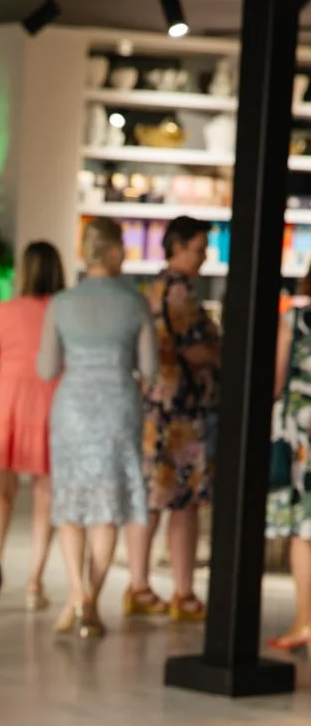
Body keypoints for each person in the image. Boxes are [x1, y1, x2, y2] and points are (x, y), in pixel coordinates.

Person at [37, 217, 156, 639]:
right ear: (115, 251)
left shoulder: (62, 303)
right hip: (118, 408)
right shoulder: (135, 303)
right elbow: (150, 368)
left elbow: (46, 367)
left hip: (72, 408)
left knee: (70, 506)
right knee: (107, 510)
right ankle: (90, 604)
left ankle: (75, 595)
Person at [129, 217, 221, 622]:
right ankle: (183, 593)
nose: (205, 256)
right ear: (179, 245)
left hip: (156, 408)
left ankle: (139, 585)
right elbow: (195, 350)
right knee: (183, 503)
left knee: (152, 499)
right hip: (180, 412)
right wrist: (225, 355)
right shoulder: (180, 291)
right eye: (199, 247)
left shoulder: (154, 288)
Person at [0, 241, 64, 609]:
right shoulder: (62, 311)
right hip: (51, 400)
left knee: (0, 493)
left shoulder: (2, 311)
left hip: (7, 402)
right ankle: (35, 583)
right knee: (46, 494)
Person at [266, 267, 311, 650]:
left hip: (301, 431)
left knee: (303, 529)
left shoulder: (294, 319)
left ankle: (304, 620)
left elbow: (275, 380)